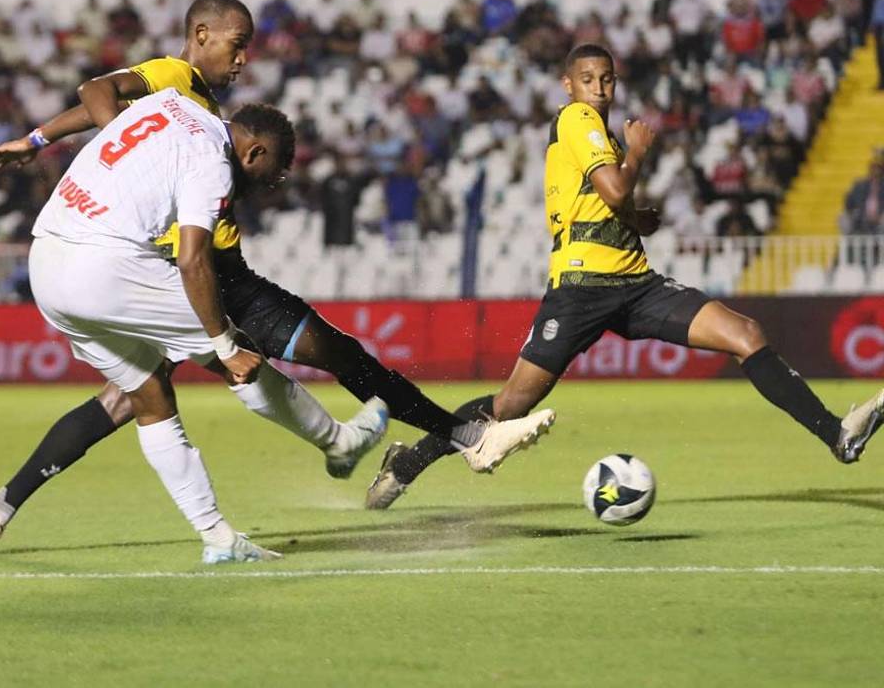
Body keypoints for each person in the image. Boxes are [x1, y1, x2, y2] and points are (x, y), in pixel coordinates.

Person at [0, 0, 552, 555]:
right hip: (200, 276)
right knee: (322, 358)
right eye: (235, 45)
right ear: (201, 36)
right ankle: (452, 440)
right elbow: (97, 91)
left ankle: (4, 504)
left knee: (134, 398)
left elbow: (106, 113)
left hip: (179, 272)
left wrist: (38, 137)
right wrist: (113, 156)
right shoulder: (176, 80)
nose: (243, 60)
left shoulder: (200, 114)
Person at [365, 43, 884, 510]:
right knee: (508, 407)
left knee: (746, 335)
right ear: (568, 85)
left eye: (607, 78)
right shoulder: (576, 120)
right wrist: (637, 154)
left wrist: (637, 219)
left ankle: (837, 435)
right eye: (588, 78)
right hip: (581, 289)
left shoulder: (599, 134)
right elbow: (614, 191)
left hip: (636, 283)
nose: (599, 87)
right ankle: (406, 465)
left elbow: (604, 203)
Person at [0, 92, 291, 564]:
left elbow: (99, 93)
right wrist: (222, 344)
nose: (274, 183)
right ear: (255, 153)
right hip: (105, 264)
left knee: (147, 395)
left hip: (47, 259)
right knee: (235, 356)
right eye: (277, 170)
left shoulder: (167, 99)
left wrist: (37, 138)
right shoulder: (212, 158)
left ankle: (219, 538)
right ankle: (338, 440)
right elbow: (192, 259)